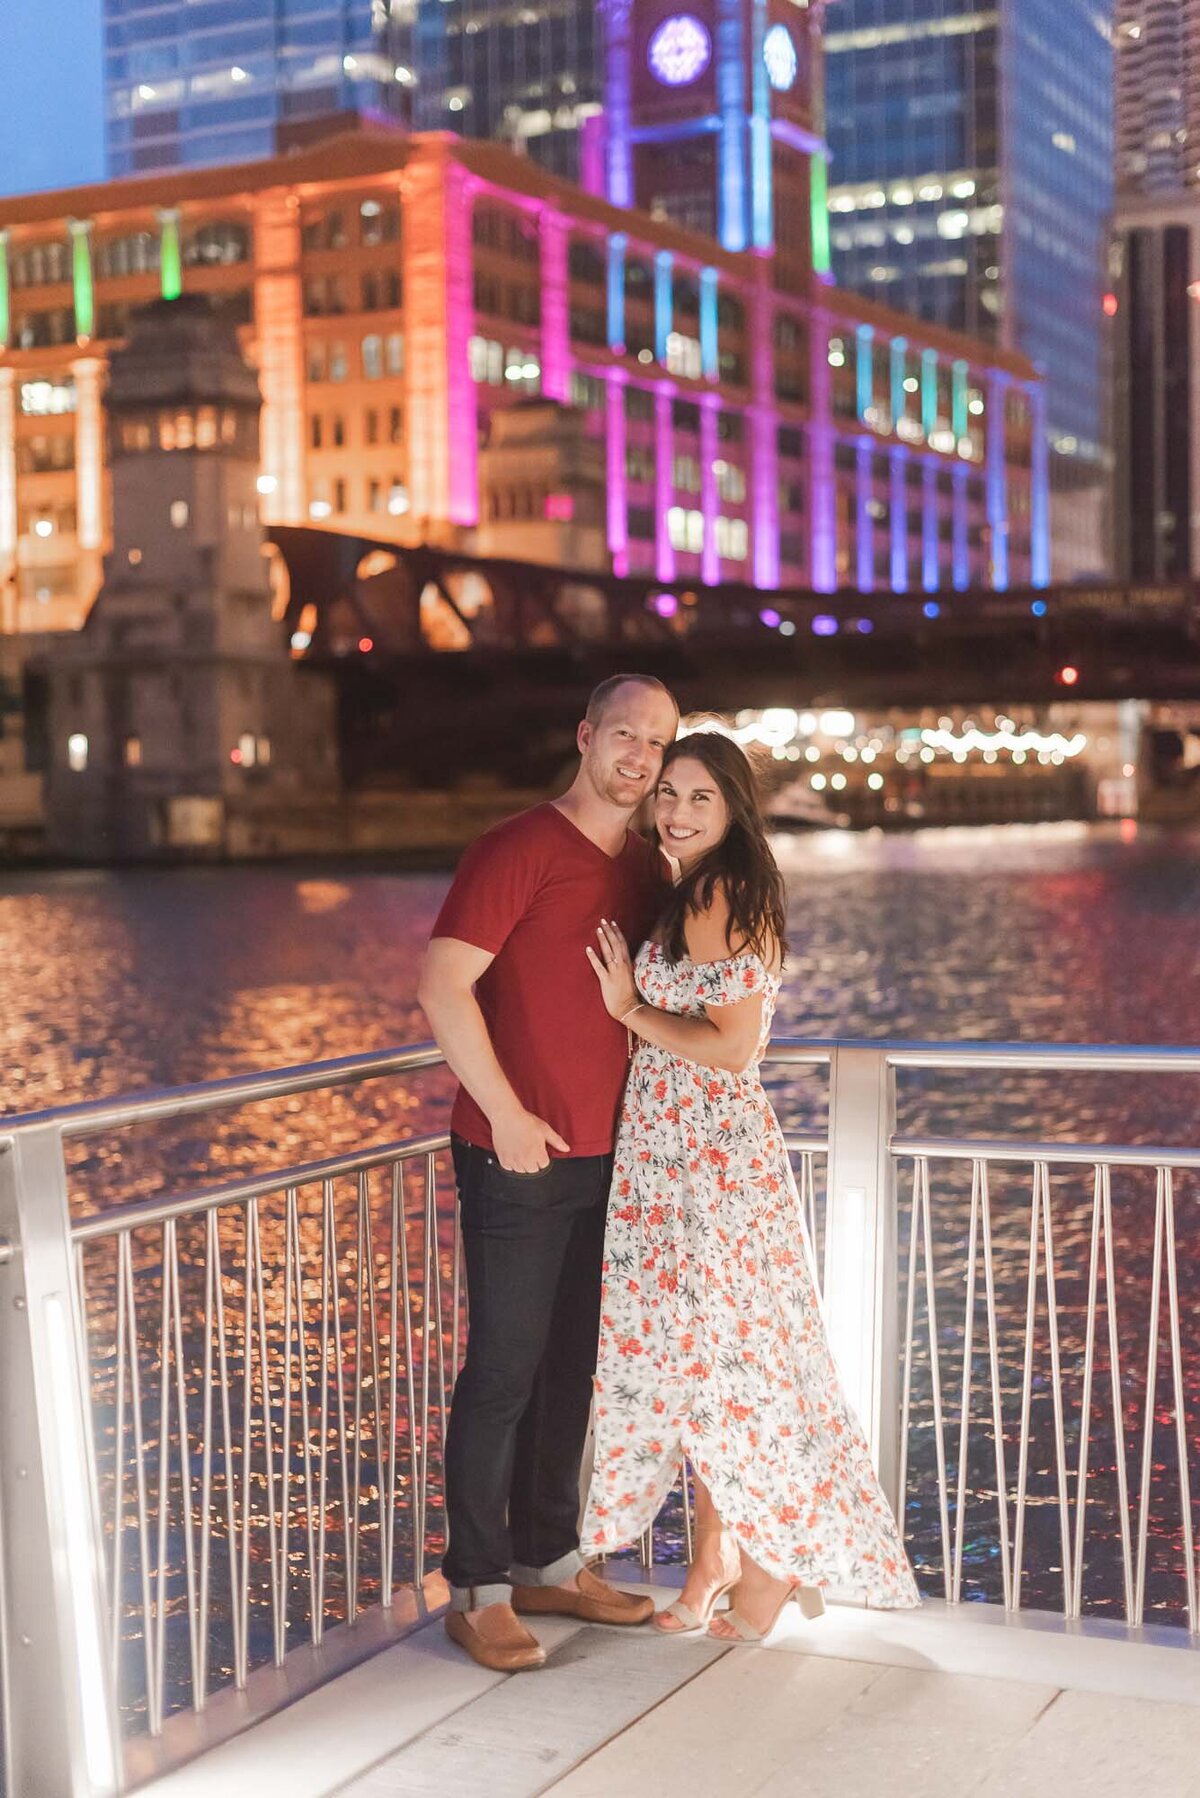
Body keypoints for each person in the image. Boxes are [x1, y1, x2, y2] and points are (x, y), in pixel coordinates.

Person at [581, 732, 919, 1642]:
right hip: (690, 1162)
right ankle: (715, 1569)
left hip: (704, 1169)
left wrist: (628, 1010)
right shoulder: (702, 889)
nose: (677, 812)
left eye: (699, 797)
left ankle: (763, 1568)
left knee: (731, 1372)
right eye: (669, 795)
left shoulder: (717, 893)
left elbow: (731, 1049)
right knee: (716, 1374)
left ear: (732, 807)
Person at [418, 672, 681, 1672]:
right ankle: (477, 1585)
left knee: (572, 1368)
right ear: (585, 735)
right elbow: (442, 985)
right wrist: (505, 1111)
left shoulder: (650, 869)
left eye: (658, 744)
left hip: (612, 1159)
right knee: (503, 1373)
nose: (641, 759)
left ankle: (549, 1558)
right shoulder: (517, 848)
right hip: (518, 1154)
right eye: (625, 735)